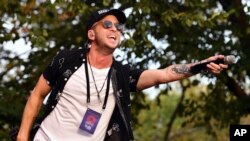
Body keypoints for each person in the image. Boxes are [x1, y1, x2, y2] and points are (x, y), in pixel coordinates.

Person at [16, 8, 228, 141]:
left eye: (119, 27)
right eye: (107, 24)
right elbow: (36, 96)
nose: (115, 29)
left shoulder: (121, 75)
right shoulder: (66, 60)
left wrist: (201, 65)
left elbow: (164, 74)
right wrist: (22, 137)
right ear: (91, 33)